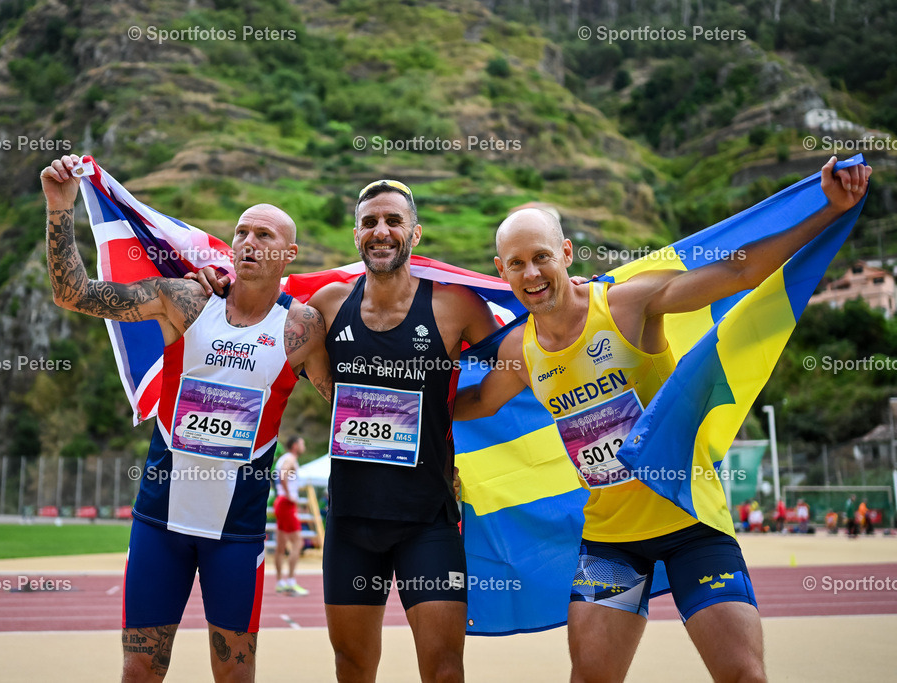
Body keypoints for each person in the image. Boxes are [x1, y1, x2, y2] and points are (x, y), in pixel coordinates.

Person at [454, 156, 869, 683]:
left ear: (565, 253)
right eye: (517, 263)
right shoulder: (521, 347)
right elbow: (474, 405)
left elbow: (738, 271)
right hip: (611, 539)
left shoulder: (627, 304)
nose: (531, 273)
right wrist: (379, 390)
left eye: (541, 257)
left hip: (691, 520)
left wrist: (827, 211)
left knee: (744, 675)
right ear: (501, 270)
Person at [41, 153, 333, 682]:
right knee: (140, 671)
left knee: (235, 677)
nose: (248, 241)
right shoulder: (186, 300)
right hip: (160, 522)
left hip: (237, 532)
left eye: (265, 234)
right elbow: (72, 293)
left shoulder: (302, 329)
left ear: (289, 253)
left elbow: (347, 405)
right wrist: (59, 207)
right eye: (241, 231)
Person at [308, 179, 501, 683]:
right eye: (370, 221)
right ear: (356, 234)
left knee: (443, 670)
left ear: (415, 233)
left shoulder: (455, 306)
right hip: (351, 520)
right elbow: (283, 350)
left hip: (427, 521)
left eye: (394, 221)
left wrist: (443, 411)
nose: (382, 231)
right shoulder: (327, 306)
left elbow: (515, 364)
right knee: (353, 667)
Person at [273, 435, 309, 596]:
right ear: (295, 445)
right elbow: (283, 475)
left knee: (281, 546)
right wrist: (289, 495)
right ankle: (291, 582)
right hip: (286, 503)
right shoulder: (290, 459)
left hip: (281, 502)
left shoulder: (284, 459)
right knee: (298, 543)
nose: (304, 446)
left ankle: (281, 582)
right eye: (302, 443)